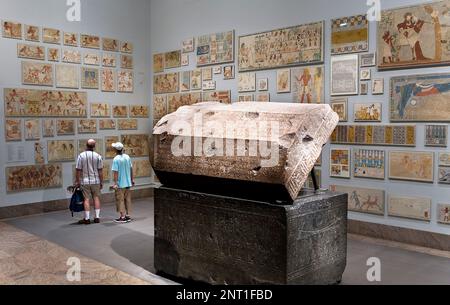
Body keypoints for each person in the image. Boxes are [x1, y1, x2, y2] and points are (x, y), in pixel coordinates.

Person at [75, 139, 104, 225]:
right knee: (96, 198)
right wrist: (101, 182)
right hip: (96, 181)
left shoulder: (81, 156)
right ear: (94, 146)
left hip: (85, 181)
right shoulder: (98, 156)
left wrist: (77, 181)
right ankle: (97, 217)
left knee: (86, 199)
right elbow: (100, 171)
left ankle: (87, 219)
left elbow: (78, 170)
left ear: (86, 145)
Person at [111, 142, 135, 223]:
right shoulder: (127, 157)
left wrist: (115, 183)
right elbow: (131, 169)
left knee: (120, 200)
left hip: (120, 184)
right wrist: (132, 179)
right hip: (128, 183)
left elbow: (115, 172)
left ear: (115, 150)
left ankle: (122, 217)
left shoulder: (116, 159)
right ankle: (128, 215)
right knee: (127, 199)